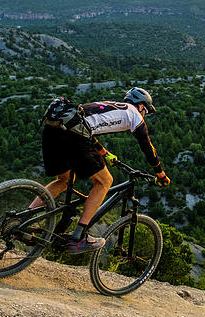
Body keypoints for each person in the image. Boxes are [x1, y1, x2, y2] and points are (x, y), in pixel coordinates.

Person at [36, 87, 170, 253]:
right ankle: (78, 237)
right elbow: (147, 146)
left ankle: (24, 220)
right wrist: (160, 174)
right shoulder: (135, 115)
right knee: (105, 181)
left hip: (53, 128)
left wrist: (105, 153)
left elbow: (87, 127)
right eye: (146, 111)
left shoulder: (112, 106)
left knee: (63, 180)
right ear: (141, 106)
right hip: (74, 135)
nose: (145, 115)